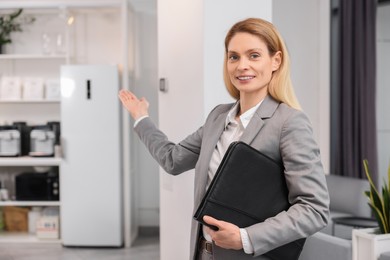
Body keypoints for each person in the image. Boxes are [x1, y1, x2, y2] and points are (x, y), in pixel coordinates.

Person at [119, 17, 329, 260]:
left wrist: (245, 237)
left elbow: (314, 209)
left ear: (276, 61)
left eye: (254, 55)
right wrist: (141, 118)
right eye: (234, 57)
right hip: (203, 253)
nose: (242, 65)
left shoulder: (289, 122)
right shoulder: (218, 117)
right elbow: (172, 159)